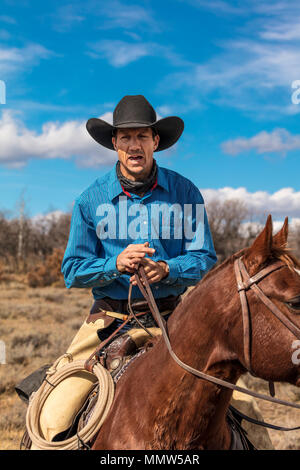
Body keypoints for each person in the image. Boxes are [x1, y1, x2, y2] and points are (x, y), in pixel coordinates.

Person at [32, 95, 217, 444]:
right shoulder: (90, 200)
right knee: (55, 411)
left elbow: (205, 258)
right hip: (108, 322)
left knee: (227, 404)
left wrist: (167, 268)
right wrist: (114, 264)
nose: (135, 145)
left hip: (173, 318)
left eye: (142, 137)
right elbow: (72, 269)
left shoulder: (185, 193)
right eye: (126, 138)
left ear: (155, 141)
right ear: (114, 143)